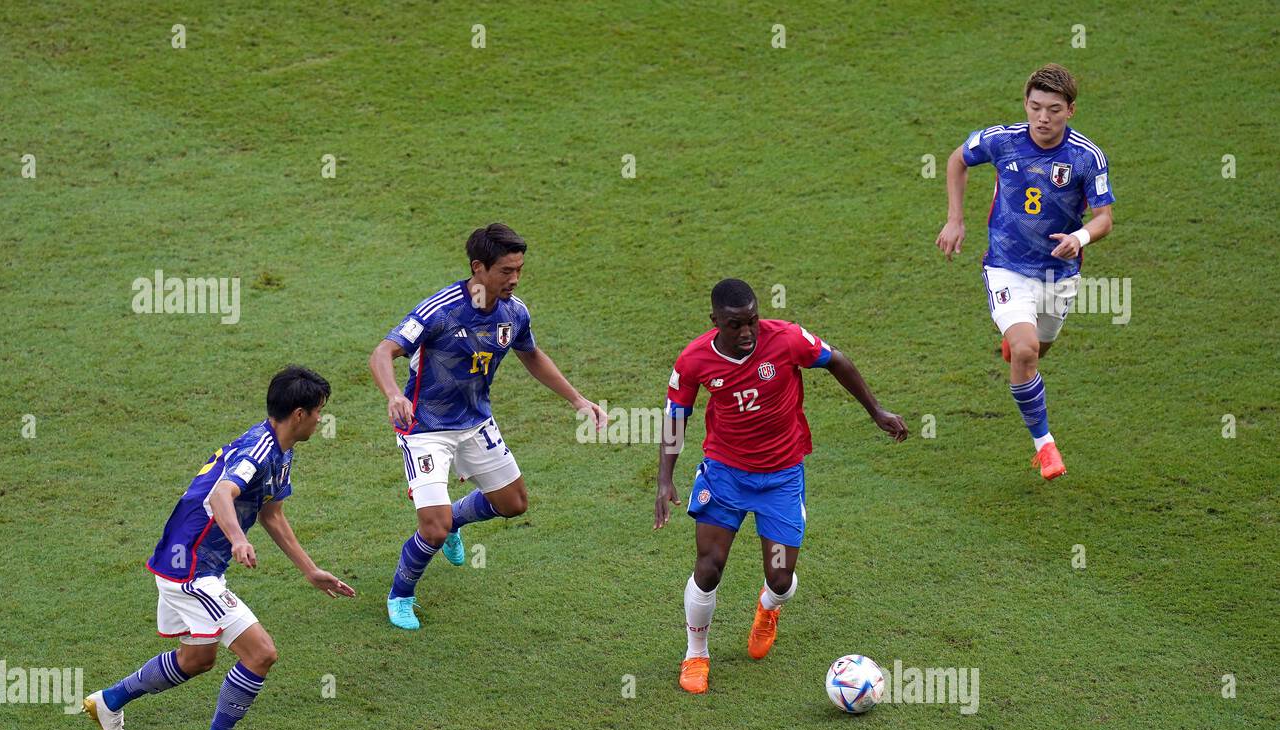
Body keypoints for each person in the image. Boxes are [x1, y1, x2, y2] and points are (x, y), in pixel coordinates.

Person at [83, 366, 355, 730]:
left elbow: (271, 513)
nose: (322, 420)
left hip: (192, 563)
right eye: (320, 412)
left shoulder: (280, 451)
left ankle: (109, 701)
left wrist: (310, 570)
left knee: (197, 660)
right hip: (191, 568)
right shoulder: (260, 450)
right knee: (261, 653)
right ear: (300, 413)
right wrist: (236, 539)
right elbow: (220, 494)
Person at [654, 279, 907, 694]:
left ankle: (768, 609)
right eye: (735, 325)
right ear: (715, 321)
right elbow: (675, 413)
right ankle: (696, 654)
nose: (747, 333)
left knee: (779, 577)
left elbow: (836, 360)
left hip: (781, 478)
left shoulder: (788, 339)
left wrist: (876, 411)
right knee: (709, 565)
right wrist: (665, 477)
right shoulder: (694, 359)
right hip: (725, 475)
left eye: (752, 321)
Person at [368, 223, 606, 630]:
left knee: (514, 504)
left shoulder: (515, 312)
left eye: (519, 270)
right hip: (425, 428)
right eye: (505, 271)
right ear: (478, 268)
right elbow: (383, 351)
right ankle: (401, 594)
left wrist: (577, 399)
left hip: (476, 422)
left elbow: (531, 355)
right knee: (434, 527)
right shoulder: (438, 311)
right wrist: (394, 394)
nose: (514, 279)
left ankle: (457, 518)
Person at [936, 63, 1115, 480]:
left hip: (1058, 274)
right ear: (1026, 104)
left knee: (1037, 349)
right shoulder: (1002, 141)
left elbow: (1104, 218)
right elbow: (957, 160)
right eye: (1035, 107)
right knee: (1025, 350)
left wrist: (1081, 238)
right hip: (1007, 266)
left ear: (1070, 110)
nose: (1043, 118)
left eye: (1053, 109)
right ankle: (1045, 446)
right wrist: (955, 218)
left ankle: (1018, 348)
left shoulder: (1086, 157)